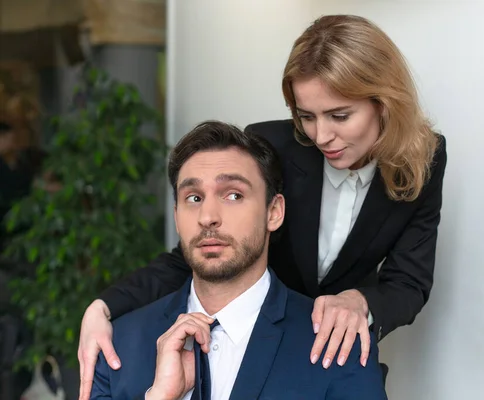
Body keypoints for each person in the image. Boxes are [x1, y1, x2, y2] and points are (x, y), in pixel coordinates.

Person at [79, 14, 448, 399]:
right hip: (251, 335)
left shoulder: (426, 157)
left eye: (339, 116)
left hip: (329, 354)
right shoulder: (275, 145)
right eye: (306, 116)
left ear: (384, 103)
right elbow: (206, 247)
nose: (321, 136)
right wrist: (105, 306)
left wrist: (361, 301)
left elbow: (409, 282)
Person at [90, 121, 387, 400]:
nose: (208, 217)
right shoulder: (118, 344)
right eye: (193, 198)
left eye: (233, 195)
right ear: (177, 217)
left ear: (274, 212)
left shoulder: (339, 345)